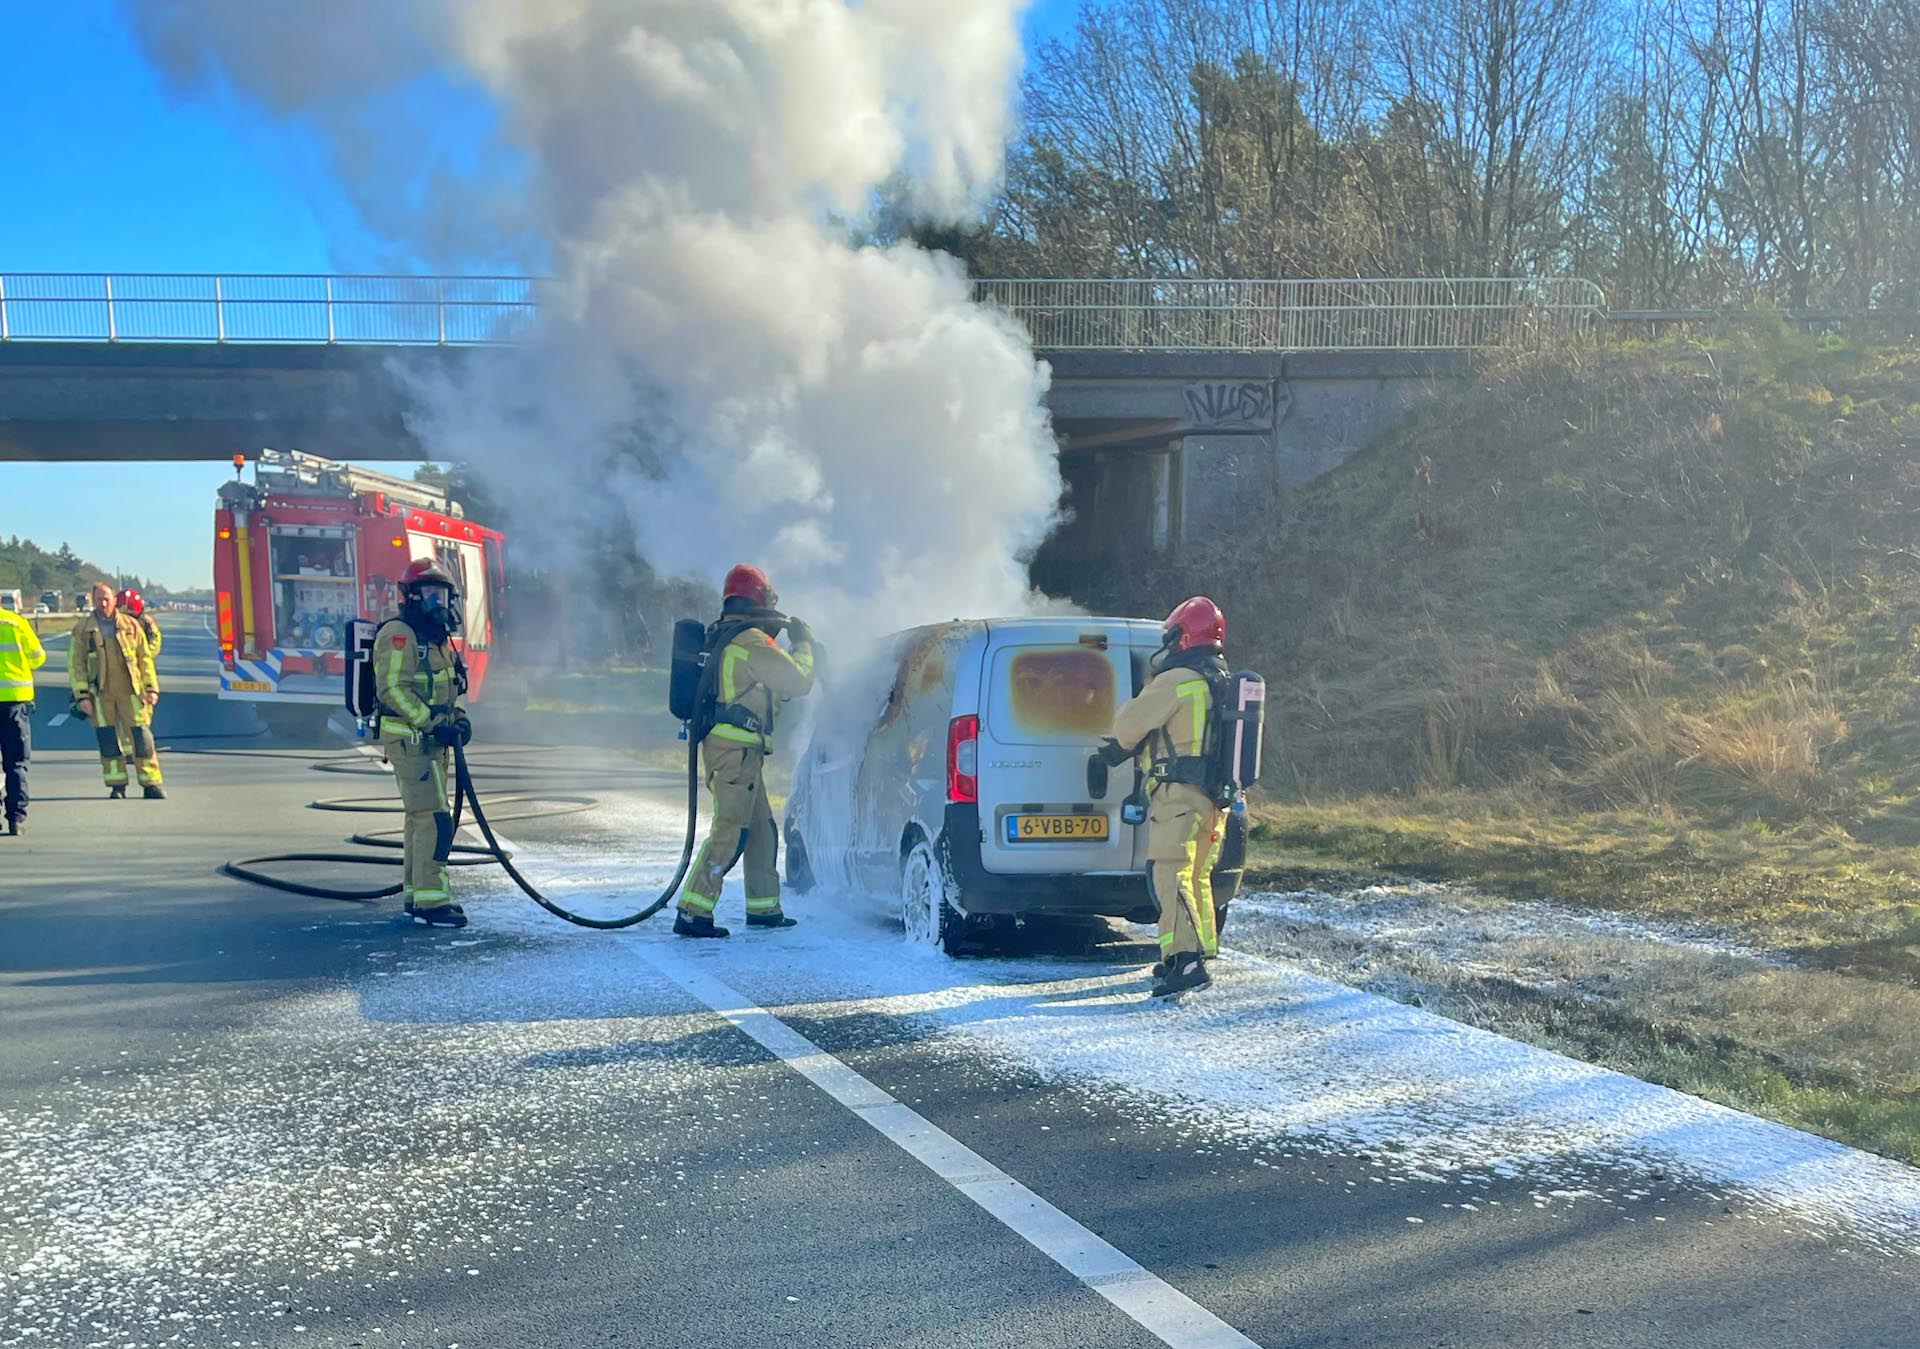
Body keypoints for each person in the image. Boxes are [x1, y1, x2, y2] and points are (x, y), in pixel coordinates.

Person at [1096, 596, 1231, 998]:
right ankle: (1191, 954)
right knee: (1196, 875)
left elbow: (1128, 727)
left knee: (1170, 874)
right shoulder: (1221, 679)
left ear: (1182, 637)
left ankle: (1186, 963)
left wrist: (1116, 748)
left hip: (1178, 796)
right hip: (1213, 798)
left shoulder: (1176, 681)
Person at [675, 563, 816, 938]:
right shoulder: (751, 641)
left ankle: (764, 908)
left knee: (760, 831)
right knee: (730, 832)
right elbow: (799, 680)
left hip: (739, 750)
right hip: (734, 751)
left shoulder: (728, 636)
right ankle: (693, 911)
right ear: (761, 600)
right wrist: (803, 645)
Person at [374, 558, 472, 928]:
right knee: (434, 819)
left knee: (421, 818)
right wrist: (432, 722)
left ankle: (419, 898)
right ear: (411, 596)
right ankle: (433, 905)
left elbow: (448, 685)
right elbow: (392, 689)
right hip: (411, 740)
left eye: (442, 594)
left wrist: (457, 717)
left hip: (430, 741)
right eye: (430, 594)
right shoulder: (399, 635)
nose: (438, 602)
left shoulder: (437, 638)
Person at [68, 582, 164, 800]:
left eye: (107, 599)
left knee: (142, 737)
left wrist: (151, 689)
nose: (103, 603)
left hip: (132, 692)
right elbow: (77, 665)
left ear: (114, 600)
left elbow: (144, 660)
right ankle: (117, 785)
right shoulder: (83, 630)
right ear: (92, 601)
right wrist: (82, 696)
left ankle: (151, 784)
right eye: (99, 599)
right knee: (108, 739)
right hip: (100, 694)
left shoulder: (131, 626)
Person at [0, 601, 46, 835]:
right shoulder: (16, 623)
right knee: (16, 762)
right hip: (15, 702)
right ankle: (16, 819)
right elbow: (38, 657)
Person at [118, 588, 162, 661]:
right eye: (123, 616)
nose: (129, 621)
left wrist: (141, 656)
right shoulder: (107, 623)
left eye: (132, 617)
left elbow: (154, 643)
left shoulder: (148, 622)